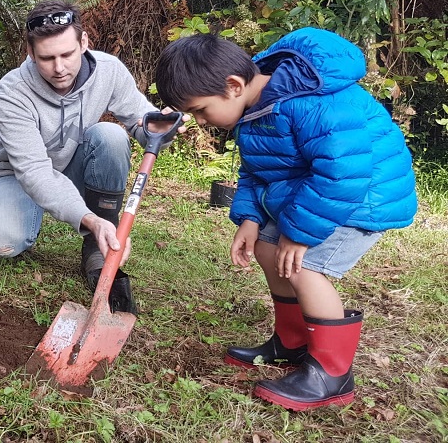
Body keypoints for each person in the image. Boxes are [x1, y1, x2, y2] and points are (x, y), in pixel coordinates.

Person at [154, 28, 417, 410]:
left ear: (232, 85)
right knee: (266, 247)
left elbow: (342, 172)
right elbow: (258, 170)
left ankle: (332, 374)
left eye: (199, 110)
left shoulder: (309, 102)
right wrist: (250, 218)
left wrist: (299, 234)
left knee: (303, 266)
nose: (200, 121)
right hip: (318, 194)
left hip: (363, 197)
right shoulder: (254, 106)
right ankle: (292, 343)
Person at [0, 0, 168, 315]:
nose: (59, 67)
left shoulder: (109, 71)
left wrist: (158, 127)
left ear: (84, 42)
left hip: (75, 164)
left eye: (67, 54)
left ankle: (99, 246)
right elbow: (34, 172)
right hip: (22, 176)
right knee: (4, 242)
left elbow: (142, 120)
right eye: (46, 58)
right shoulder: (11, 93)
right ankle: (91, 226)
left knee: (110, 136)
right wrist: (87, 218)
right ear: (30, 52)